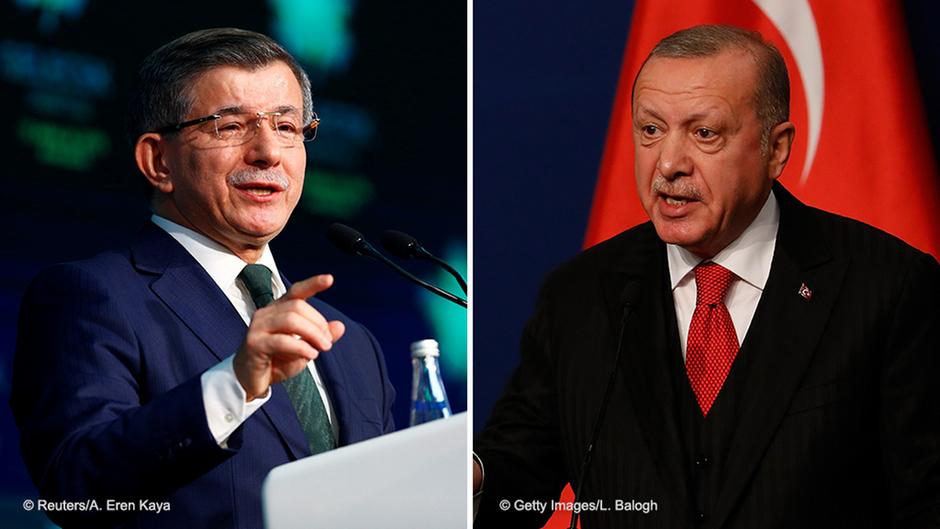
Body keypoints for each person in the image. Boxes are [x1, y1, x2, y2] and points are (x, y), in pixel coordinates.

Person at [473, 25, 939, 528]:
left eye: (704, 133)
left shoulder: (886, 287)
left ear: (776, 148)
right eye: (650, 130)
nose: (668, 164)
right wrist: (472, 480)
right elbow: (511, 484)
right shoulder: (580, 296)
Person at [10, 28, 394, 529]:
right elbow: (78, 488)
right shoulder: (91, 296)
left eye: (286, 126)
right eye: (230, 126)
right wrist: (234, 383)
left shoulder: (350, 342)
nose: (268, 152)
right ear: (158, 160)